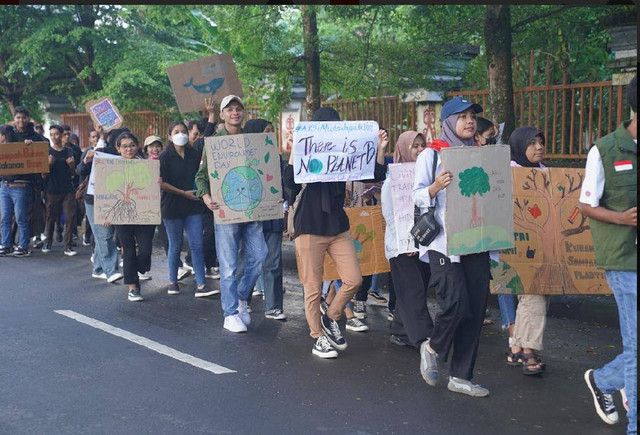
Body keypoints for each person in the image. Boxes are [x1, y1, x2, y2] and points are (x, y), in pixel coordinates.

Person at [284, 107, 388, 358]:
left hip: (338, 225)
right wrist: (294, 152)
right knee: (312, 287)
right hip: (309, 226)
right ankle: (317, 337)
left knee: (354, 279)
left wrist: (380, 148)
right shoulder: (309, 154)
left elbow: (376, 174)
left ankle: (331, 316)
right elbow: (289, 184)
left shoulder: (345, 153)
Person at [413, 96, 492, 397]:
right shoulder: (431, 156)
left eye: (472, 116)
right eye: (461, 116)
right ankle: (433, 347)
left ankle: (461, 376)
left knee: (475, 309)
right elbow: (416, 196)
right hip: (444, 243)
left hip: (478, 242)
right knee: (456, 302)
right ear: (448, 122)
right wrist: (434, 188)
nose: (469, 121)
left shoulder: (483, 156)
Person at [579, 74, 636, 433]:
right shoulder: (604, 149)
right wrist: (621, 217)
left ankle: (603, 380)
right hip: (625, 260)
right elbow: (586, 204)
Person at [195, 95, 267, 333]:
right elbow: (201, 176)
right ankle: (230, 313)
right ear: (222, 114)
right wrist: (206, 197)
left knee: (259, 255)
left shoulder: (254, 141)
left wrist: (272, 196)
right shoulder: (213, 143)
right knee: (228, 266)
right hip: (226, 212)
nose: (235, 112)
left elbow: (266, 172)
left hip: (252, 210)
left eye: (238, 109)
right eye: (230, 109)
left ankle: (242, 297)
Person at [504, 126, 549, 375]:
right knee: (534, 294)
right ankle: (529, 351)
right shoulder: (510, 172)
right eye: (532, 143)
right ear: (520, 146)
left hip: (543, 244)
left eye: (541, 142)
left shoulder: (547, 173)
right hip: (516, 244)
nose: (539, 147)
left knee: (531, 295)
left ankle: (518, 348)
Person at [383, 131, 434, 348]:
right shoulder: (391, 182)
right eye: (415, 146)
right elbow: (391, 218)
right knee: (413, 290)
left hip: (423, 244)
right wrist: (407, 244)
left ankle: (401, 330)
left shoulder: (426, 177)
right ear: (404, 149)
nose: (420, 150)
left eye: (423, 145)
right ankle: (424, 338)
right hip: (402, 247)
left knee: (416, 287)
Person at [159, 122, 213, 298]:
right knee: (175, 246)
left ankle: (201, 284)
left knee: (197, 245)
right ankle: (172, 281)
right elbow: (162, 183)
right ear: (169, 136)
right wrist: (183, 193)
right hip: (172, 207)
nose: (180, 134)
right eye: (176, 132)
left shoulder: (194, 155)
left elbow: (201, 175)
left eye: (183, 131)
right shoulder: (164, 157)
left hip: (193, 206)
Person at [242, 118, 287, 320]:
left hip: (273, 216)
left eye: (271, 131)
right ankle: (243, 300)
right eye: (265, 131)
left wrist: (284, 197)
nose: (269, 135)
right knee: (249, 261)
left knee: (274, 262)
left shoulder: (276, 158)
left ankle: (274, 306)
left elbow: (285, 184)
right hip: (251, 219)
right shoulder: (242, 159)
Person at [109, 132, 157, 302]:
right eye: (124, 146)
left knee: (144, 250)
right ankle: (133, 287)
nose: (128, 149)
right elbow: (107, 192)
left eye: (131, 145)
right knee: (128, 250)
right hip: (122, 215)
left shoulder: (148, 165)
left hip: (145, 214)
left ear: (137, 146)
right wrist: (106, 213)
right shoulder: (110, 167)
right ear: (118, 149)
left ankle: (139, 268)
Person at [76, 135, 123, 283]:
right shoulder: (91, 151)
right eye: (95, 136)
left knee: (101, 234)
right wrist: (86, 160)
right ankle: (110, 270)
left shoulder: (116, 154)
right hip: (93, 199)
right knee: (104, 234)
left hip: (111, 197)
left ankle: (98, 268)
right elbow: (80, 170)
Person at [41, 125, 77, 256]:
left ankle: (68, 246)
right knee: (51, 217)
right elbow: (43, 175)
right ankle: (48, 241)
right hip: (52, 189)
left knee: (70, 216)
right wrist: (48, 164)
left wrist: (72, 166)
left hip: (67, 189)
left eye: (56, 134)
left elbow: (73, 174)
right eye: (51, 134)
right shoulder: (47, 152)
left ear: (62, 135)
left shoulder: (68, 151)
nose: (53, 137)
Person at [0, 124, 34, 257]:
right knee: (5, 218)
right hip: (5, 185)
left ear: (3, 136)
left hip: (19, 186)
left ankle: (23, 246)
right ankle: (6, 245)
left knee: (20, 218)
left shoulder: (21, 147)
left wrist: (29, 145)